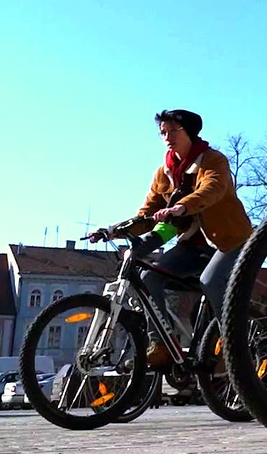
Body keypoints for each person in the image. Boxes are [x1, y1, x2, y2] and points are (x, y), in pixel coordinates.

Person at [92, 109, 253, 368]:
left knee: (210, 281)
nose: (167, 137)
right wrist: (115, 230)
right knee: (147, 279)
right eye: (162, 133)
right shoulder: (164, 172)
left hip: (229, 240)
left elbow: (211, 189)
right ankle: (162, 345)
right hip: (191, 245)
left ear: (189, 132)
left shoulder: (213, 161)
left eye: (173, 131)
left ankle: (232, 347)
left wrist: (182, 207)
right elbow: (146, 214)